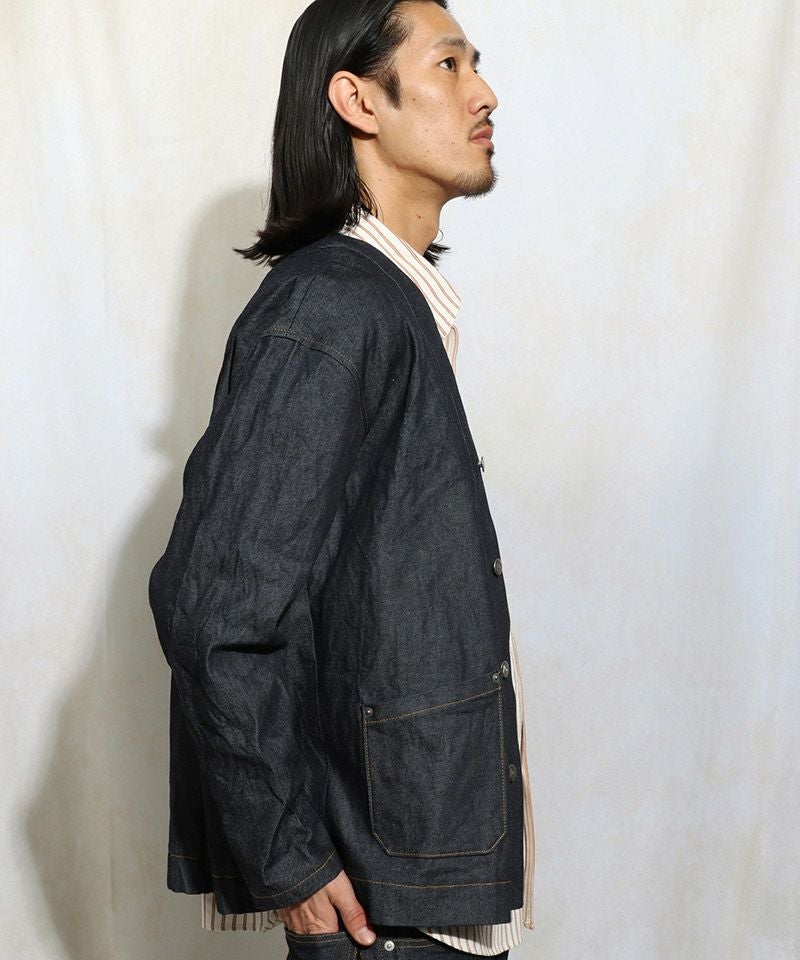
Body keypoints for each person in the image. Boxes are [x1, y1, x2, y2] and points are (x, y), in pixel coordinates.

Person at [148, 0, 535, 956]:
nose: (485, 92)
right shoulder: (331, 307)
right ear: (358, 100)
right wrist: (286, 856)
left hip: (415, 882)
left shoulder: (385, 303)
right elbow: (214, 610)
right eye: (449, 65)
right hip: (380, 908)